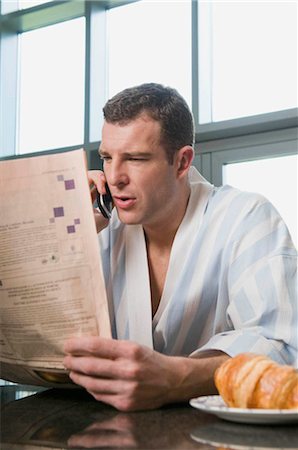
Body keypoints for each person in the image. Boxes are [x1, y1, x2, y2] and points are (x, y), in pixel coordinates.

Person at [63, 83, 297, 411]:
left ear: (182, 162)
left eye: (135, 158)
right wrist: (69, 240)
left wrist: (178, 377)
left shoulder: (246, 218)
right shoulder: (98, 228)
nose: (114, 177)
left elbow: (283, 347)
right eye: (106, 157)